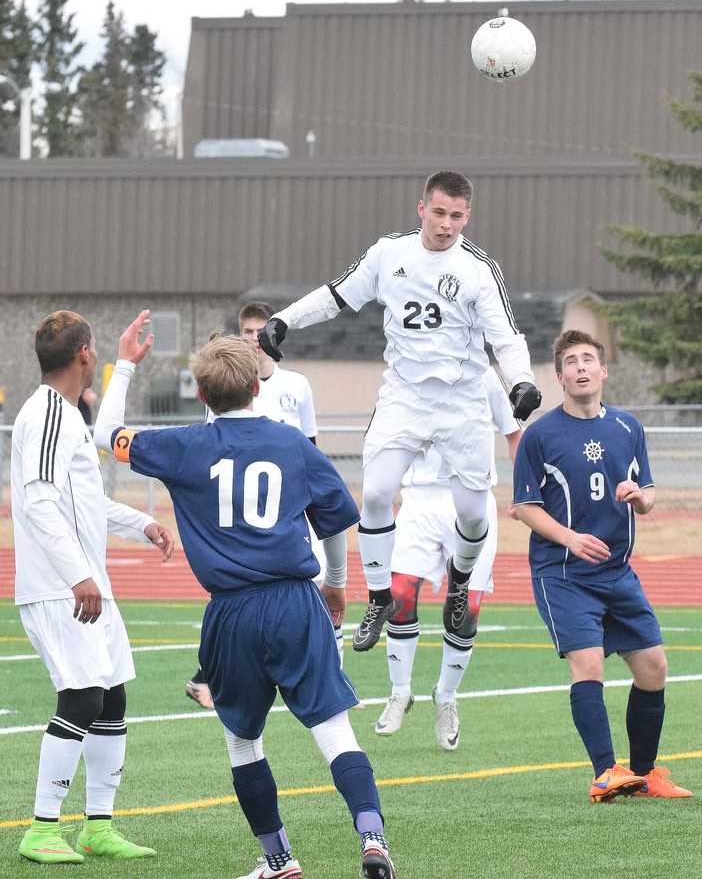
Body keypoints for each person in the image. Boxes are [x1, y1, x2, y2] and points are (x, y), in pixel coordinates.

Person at [93, 312, 396, 879]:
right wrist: (334, 584)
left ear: (202, 393)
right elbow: (334, 522)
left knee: (242, 743)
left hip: (231, 611)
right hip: (294, 601)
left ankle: (279, 859)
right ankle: (373, 838)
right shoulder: (290, 444)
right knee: (334, 732)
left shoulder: (183, 445)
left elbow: (106, 437)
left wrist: (128, 366)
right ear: (259, 385)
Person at [258, 169, 541, 652]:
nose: (446, 224)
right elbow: (335, 295)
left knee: (474, 518)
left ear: (467, 216)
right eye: (438, 212)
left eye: (456, 216)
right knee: (375, 494)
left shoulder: (478, 268)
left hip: (462, 401)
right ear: (421, 208)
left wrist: (523, 383)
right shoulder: (389, 254)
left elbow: (506, 337)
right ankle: (379, 596)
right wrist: (285, 319)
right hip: (404, 396)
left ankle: (459, 581)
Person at [11, 311, 176, 864]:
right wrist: (78, 574)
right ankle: (40, 829)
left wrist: (141, 524)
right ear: (85, 352)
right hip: (61, 588)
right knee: (81, 698)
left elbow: (81, 502)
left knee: (112, 698)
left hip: (86, 583)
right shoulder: (46, 414)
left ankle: (98, 827)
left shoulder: (67, 415)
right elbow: (35, 502)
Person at [513, 329, 692, 803]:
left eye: (588, 359)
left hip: (618, 572)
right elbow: (524, 507)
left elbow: (648, 492)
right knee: (588, 663)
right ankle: (604, 773)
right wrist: (570, 537)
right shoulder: (540, 435)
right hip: (564, 574)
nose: (580, 368)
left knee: (653, 666)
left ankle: (646, 774)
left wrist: (642, 500)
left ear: (603, 370)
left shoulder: (628, 428)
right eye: (570, 362)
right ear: (559, 376)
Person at [186, 301, 341, 711]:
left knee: (310, 582)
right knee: (239, 584)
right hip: (240, 503)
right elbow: (213, 441)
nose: (254, 339)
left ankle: (326, 674)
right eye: (247, 332)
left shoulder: (297, 386)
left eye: (260, 331)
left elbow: (310, 447)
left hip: (286, 504)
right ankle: (211, 677)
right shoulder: (229, 387)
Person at [375, 367, 521, 750]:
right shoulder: (406, 371)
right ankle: (400, 691)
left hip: (471, 499)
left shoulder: (484, 376)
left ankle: (446, 697)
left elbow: (514, 434)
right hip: (419, 497)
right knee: (400, 591)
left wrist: (523, 492)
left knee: (468, 604)